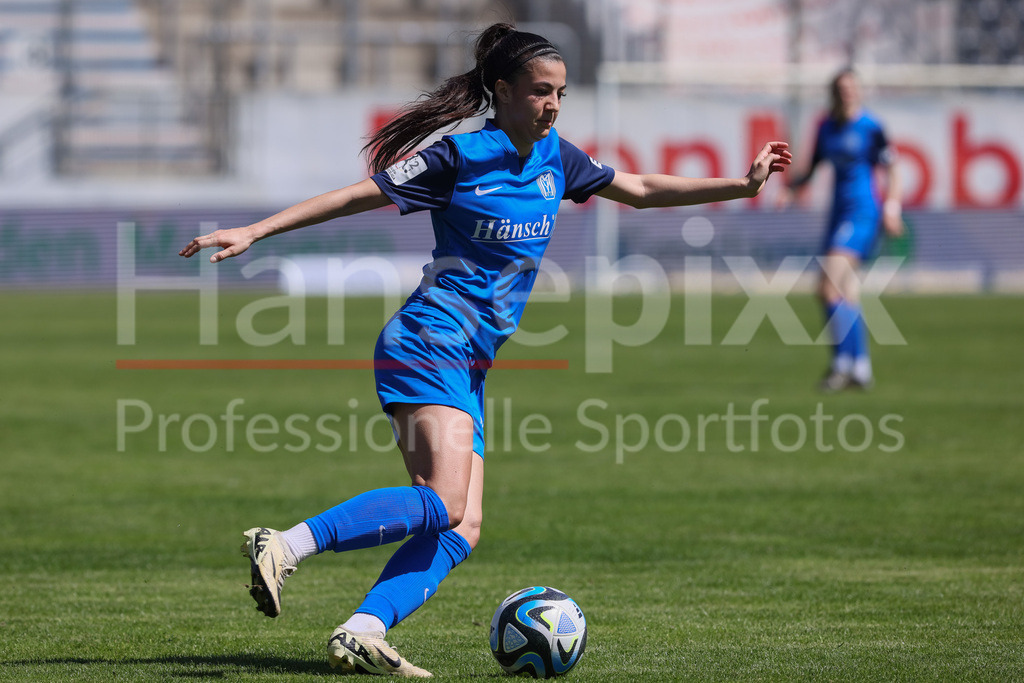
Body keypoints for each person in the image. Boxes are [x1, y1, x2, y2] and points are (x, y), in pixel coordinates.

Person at [179, 22, 791, 677]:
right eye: (539, 91)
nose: (552, 104)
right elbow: (360, 195)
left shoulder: (558, 155)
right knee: (444, 500)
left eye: (559, 92)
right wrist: (258, 229)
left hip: (468, 362)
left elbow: (638, 190)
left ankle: (363, 627)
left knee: (462, 524)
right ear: (501, 90)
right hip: (427, 340)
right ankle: (287, 544)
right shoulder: (458, 157)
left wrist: (742, 185)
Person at [784, 68, 903, 392]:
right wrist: (791, 188)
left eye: (852, 88)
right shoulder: (826, 127)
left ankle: (841, 364)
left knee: (826, 288)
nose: (847, 93)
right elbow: (813, 168)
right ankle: (860, 368)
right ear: (833, 92)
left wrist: (892, 209)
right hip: (837, 215)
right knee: (846, 292)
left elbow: (893, 170)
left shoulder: (871, 127)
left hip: (863, 212)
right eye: (841, 88)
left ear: (859, 91)